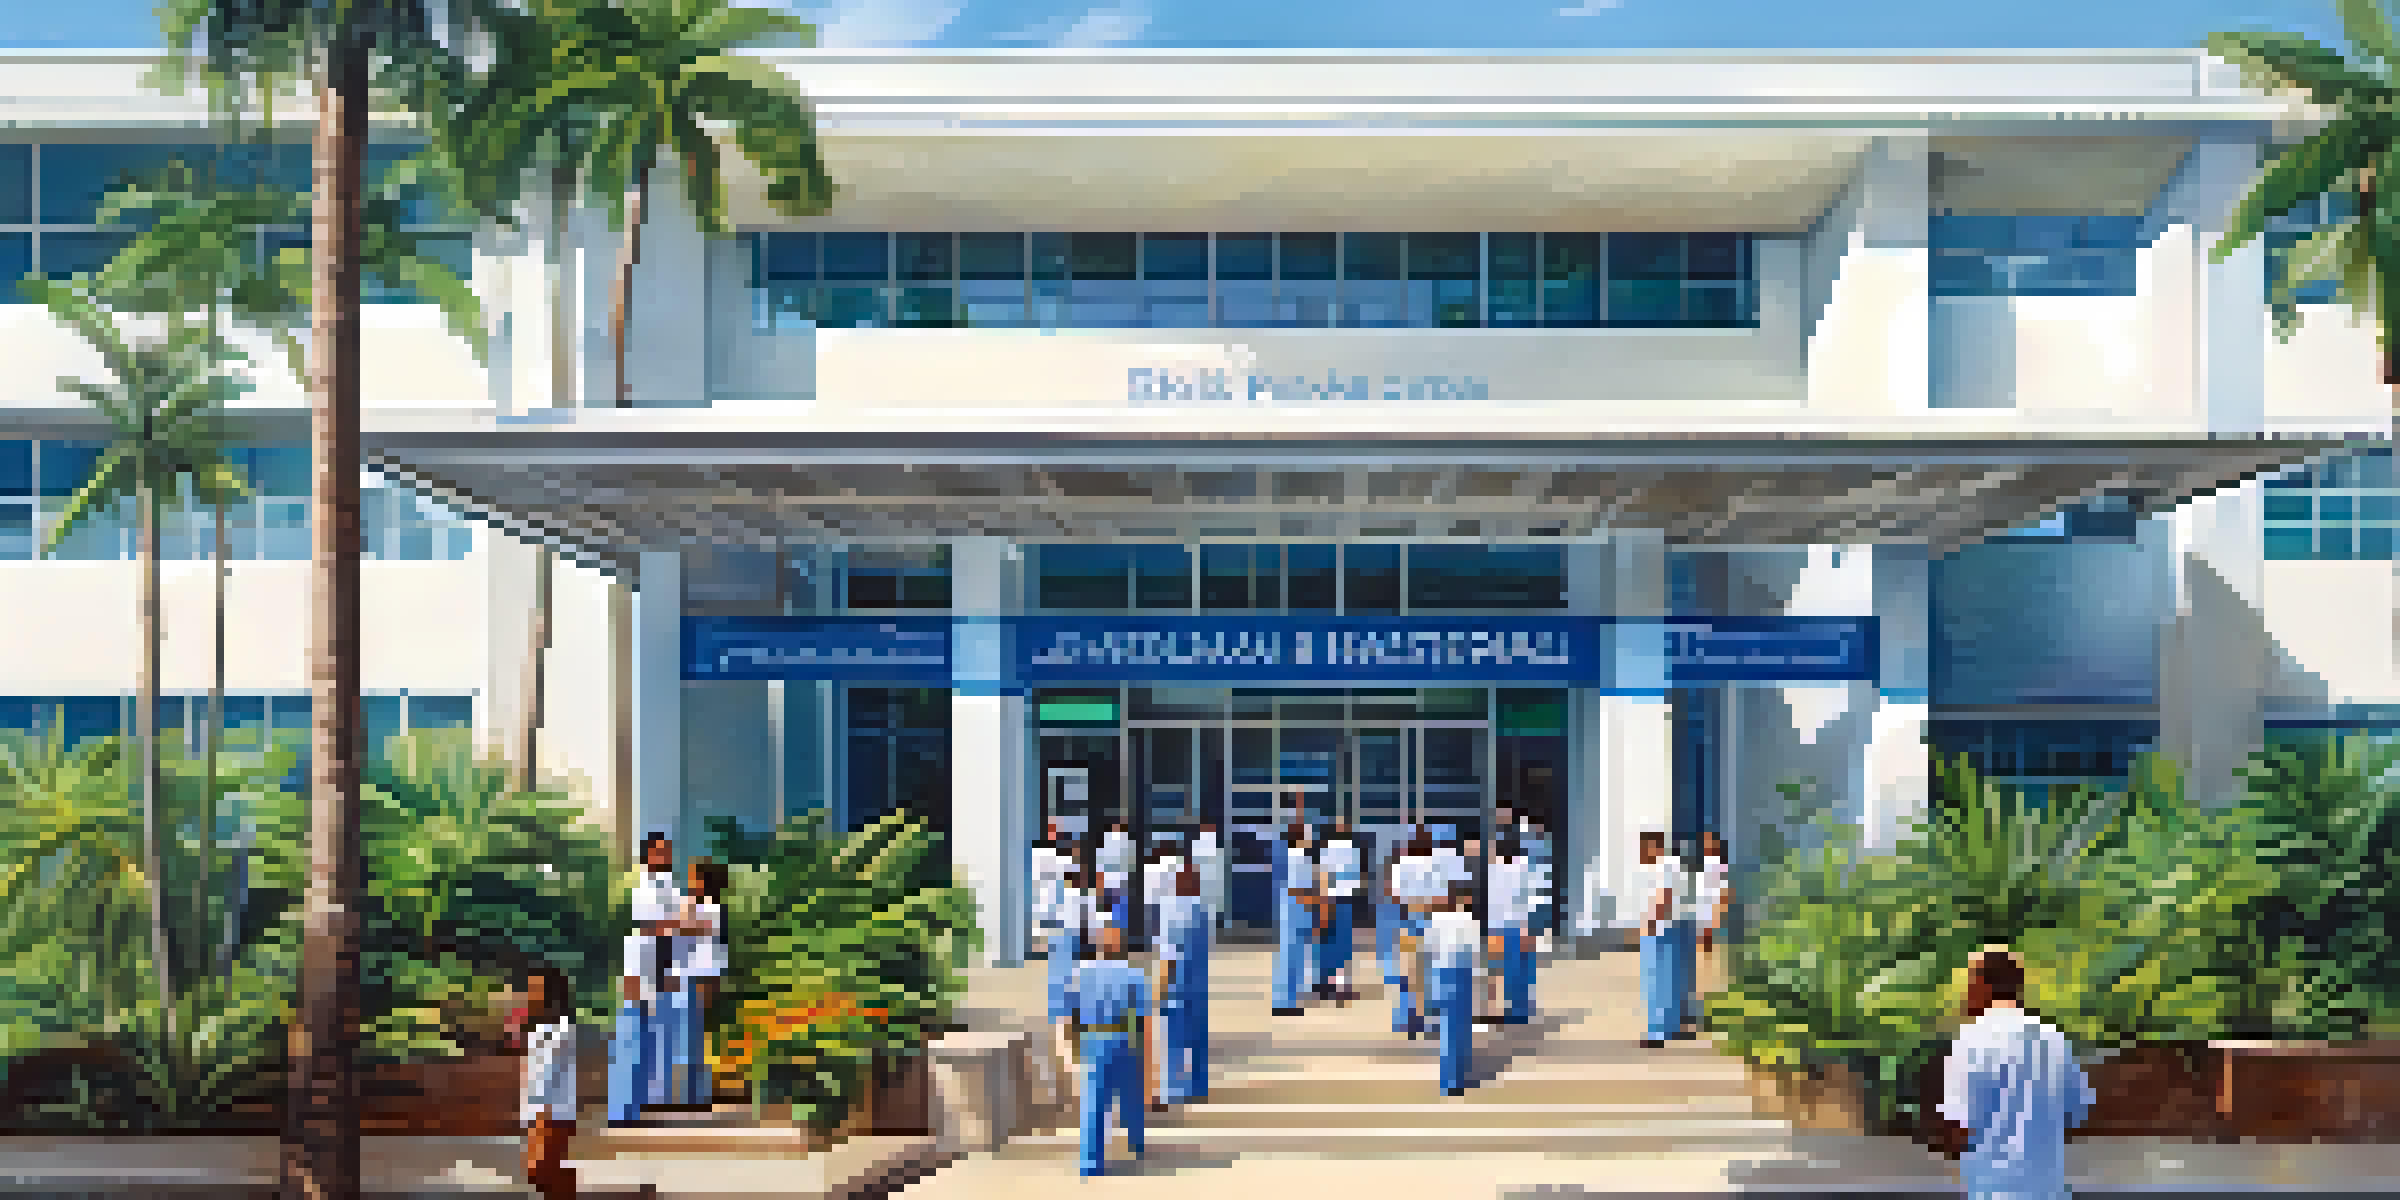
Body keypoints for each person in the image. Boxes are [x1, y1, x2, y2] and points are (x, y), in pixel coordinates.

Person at [1938, 949, 2094, 1200]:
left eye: (1969, 984)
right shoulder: (2053, 1039)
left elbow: (1957, 1129)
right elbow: (2076, 1115)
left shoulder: (1968, 1041)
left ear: (1982, 985)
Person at [1064, 923, 1151, 1177]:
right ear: (1121, 944)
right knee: (1132, 1094)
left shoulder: (1080, 973)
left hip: (1094, 1038)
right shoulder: (1134, 974)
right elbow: (1142, 1018)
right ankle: (1136, 1142)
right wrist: (1144, 1050)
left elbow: (1073, 1015)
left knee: (1094, 1102)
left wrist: (1074, 1046)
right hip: (1124, 1038)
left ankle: (1091, 1163)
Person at [609, 832, 681, 1123]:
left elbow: (668, 930)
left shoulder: (667, 885)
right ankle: (622, 1110)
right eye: (660, 852)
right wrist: (684, 922)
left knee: (649, 1041)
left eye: (668, 852)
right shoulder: (644, 886)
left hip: (657, 967)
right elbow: (654, 926)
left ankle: (636, 1108)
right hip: (640, 965)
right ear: (648, 855)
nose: (665, 857)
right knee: (632, 1036)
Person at [672, 858, 730, 1108]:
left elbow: (681, 928)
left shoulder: (711, 908)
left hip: (698, 978)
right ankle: (693, 1094)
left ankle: (693, 1096)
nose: (690, 882)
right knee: (689, 1037)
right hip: (693, 978)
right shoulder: (707, 907)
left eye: (694, 876)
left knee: (690, 1038)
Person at [519, 965, 579, 1200]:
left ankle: (567, 1190)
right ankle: (566, 1189)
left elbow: (552, 1078)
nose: (529, 996)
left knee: (542, 1169)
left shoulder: (562, 1032)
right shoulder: (537, 1032)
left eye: (535, 991)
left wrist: (543, 1116)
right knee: (537, 1172)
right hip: (536, 1113)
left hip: (553, 1114)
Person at [1154, 860, 1211, 1105]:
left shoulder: (1169, 909)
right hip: (1198, 981)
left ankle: (1173, 1089)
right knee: (1198, 1036)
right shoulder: (1202, 911)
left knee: (1174, 1038)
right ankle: (1198, 1086)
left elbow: (1168, 952)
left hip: (1177, 981)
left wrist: (1161, 985)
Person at [1422, 879, 1484, 1097]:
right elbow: (1475, 955)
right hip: (1462, 973)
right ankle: (1457, 1078)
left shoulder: (1436, 919)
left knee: (1448, 1029)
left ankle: (1448, 1079)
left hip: (1441, 972)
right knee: (1462, 1029)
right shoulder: (1470, 920)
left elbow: (1428, 951)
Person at [1047, 866, 1101, 1108]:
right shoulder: (1086, 901)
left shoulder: (1055, 902)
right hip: (1079, 966)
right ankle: (1079, 1075)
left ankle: (1066, 1076)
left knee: (1062, 1023)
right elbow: (1094, 935)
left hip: (1062, 966)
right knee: (1080, 1022)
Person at [1636, 831, 1682, 1049]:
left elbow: (1664, 896)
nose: (1641, 852)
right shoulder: (1667, 866)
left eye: (1644, 847)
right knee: (1666, 981)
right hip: (1664, 928)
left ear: (1654, 846)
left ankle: (1657, 1032)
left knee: (1655, 983)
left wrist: (1653, 921)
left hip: (1658, 930)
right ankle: (1669, 1029)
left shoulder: (1663, 867)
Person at [1487, 837, 1534, 1026]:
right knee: (1522, 971)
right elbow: (1527, 901)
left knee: (1508, 972)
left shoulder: (1495, 870)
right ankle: (1521, 1010)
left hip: (1501, 926)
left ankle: (1516, 1010)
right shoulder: (1522, 869)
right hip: (1518, 926)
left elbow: (1493, 902)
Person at [1272, 817, 1315, 1016]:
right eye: (1307, 833)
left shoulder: (1291, 856)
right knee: (1292, 959)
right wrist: (1313, 901)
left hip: (1294, 910)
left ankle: (1287, 1000)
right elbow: (1297, 889)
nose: (1310, 837)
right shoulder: (1298, 857)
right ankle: (1285, 1003)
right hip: (1297, 910)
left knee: (1292, 957)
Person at [1317, 820, 1363, 1003]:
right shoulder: (1347, 849)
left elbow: (1324, 876)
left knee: (1333, 945)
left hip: (1336, 899)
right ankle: (1336, 987)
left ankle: (1328, 985)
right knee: (1340, 946)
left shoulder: (1333, 849)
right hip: (1338, 900)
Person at [1032, 823, 1074, 957]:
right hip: (1047, 901)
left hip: (1059, 904)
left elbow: (1068, 879)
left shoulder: (1064, 856)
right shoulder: (1039, 854)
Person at [1099, 822, 1137, 933]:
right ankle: (1116, 933)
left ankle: (1119, 933)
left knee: (1119, 911)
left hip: (1121, 883)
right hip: (1113, 882)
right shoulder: (1108, 843)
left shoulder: (1127, 843)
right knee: (1114, 911)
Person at [1191, 823, 1228, 931]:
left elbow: (1219, 877)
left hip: (1205, 893)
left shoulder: (1217, 853)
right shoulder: (1199, 848)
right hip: (1200, 893)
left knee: (1204, 921)